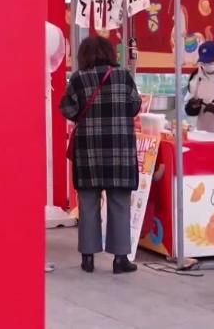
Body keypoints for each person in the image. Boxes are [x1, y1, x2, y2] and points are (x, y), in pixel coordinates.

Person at [60, 36, 141, 275]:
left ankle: (88, 257)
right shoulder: (123, 76)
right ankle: (120, 258)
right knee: (119, 202)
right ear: (109, 53)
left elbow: (67, 108)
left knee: (88, 202)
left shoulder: (78, 78)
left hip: (88, 150)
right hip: (119, 150)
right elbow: (134, 106)